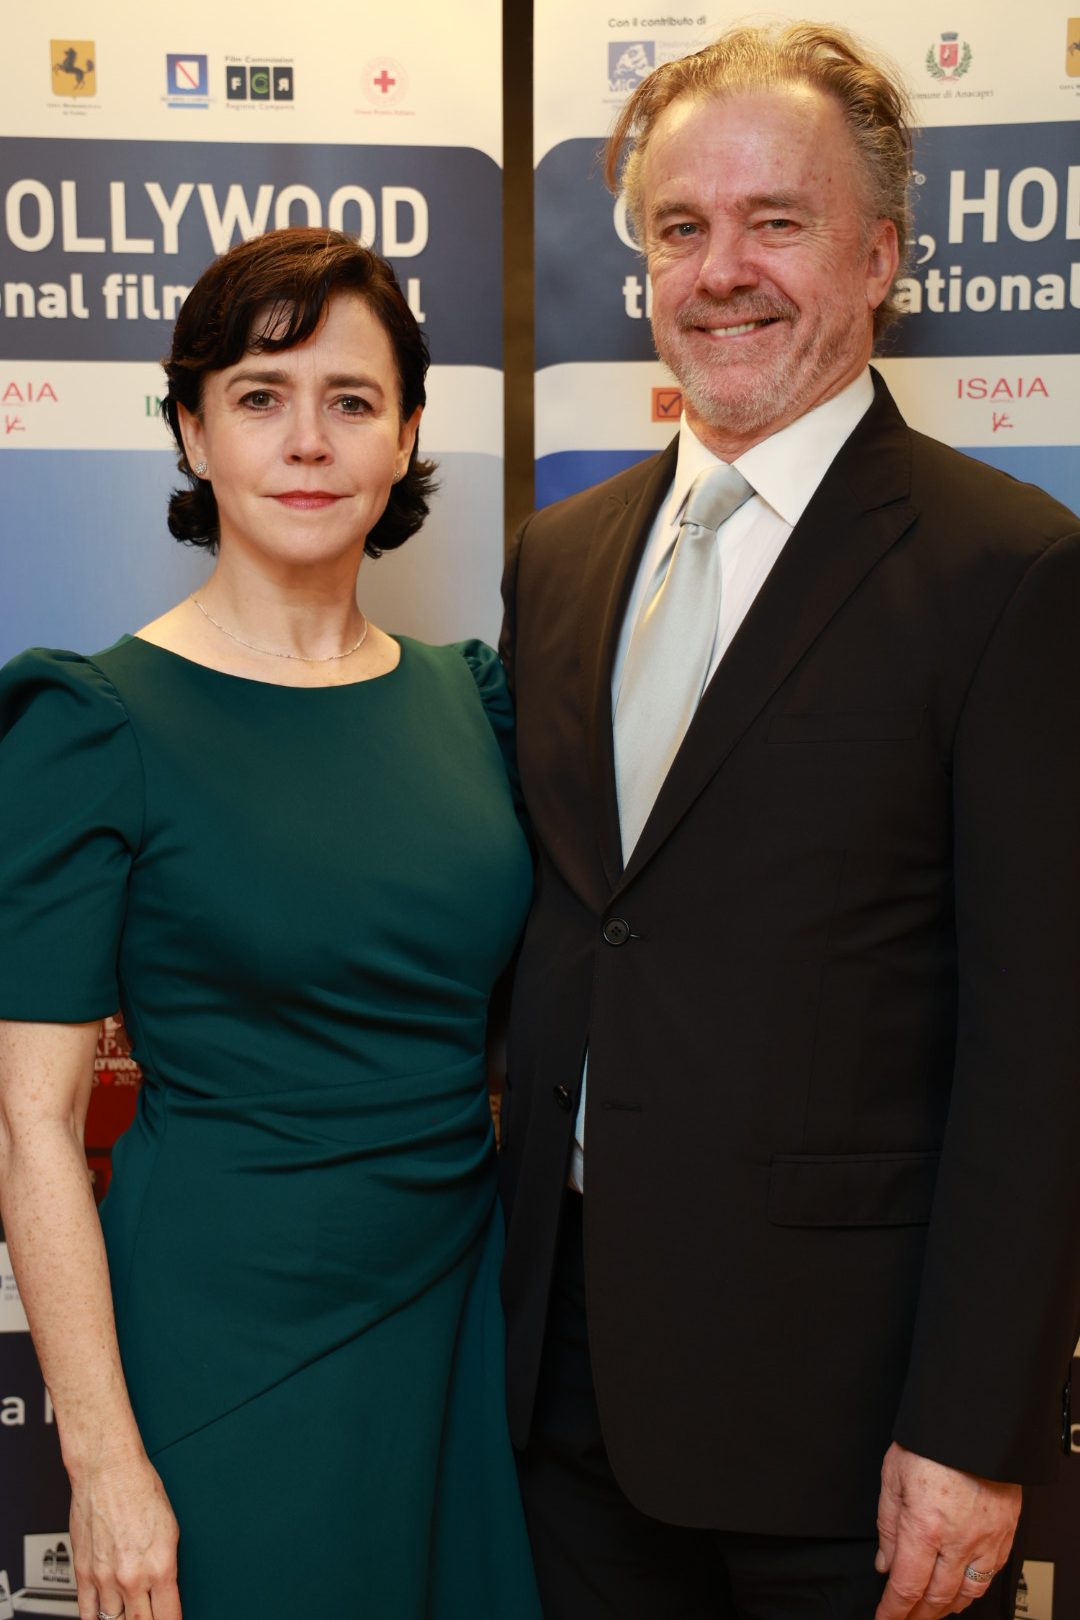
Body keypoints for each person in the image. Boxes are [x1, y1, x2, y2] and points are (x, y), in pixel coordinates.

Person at [498, 22, 1080, 1620]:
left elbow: (1042, 1047)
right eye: (680, 227)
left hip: (855, 1429)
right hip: (565, 1398)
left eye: (777, 221)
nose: (721, 272)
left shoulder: (1010, 573)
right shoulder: (559, 559)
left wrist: (971, 1430)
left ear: (880, 254)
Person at [0, 227, 541, 1620]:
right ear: (192, 430)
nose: (308, 441)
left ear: (406, 435)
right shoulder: (95, 722)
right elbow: (31, 1125)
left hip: (465, 1317)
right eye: (259, 396)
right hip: (226, 1345)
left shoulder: (474, 700)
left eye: (351, 401)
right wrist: (103, 1462)